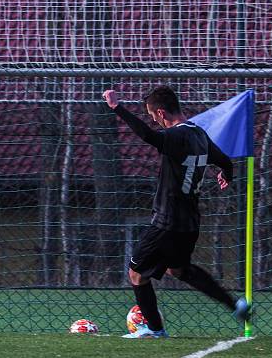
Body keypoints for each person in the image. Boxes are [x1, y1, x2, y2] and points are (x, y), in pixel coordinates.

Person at [103, 85, 250, 339]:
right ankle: (235, 304)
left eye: (153, 117)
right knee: (179, 270)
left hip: (166, 221)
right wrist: (227, 174)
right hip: (190, 222)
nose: (154, 122)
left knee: (136, 273)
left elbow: (149, 136)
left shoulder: (176, 136)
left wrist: (117, 108)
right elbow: (225, 160)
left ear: (161, 114)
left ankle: (155, 329)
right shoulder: (199, 134)